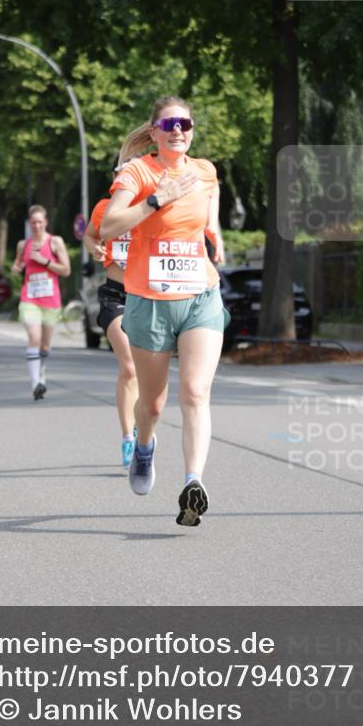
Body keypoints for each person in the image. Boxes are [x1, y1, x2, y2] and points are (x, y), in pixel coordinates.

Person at [102, 95, 227, 527]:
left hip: (200, 296)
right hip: (150, 301)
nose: (178, 130)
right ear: (154, 132)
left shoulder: (205, 171)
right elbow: (109, 226)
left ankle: (193, 483)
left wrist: (217, 240)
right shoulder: (137, 172)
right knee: (152, 405)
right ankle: (144, 447)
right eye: (169, 124)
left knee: (195, 392)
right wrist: (157, 199)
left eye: (185, 124)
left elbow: (209, 214)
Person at [83, 187, 137, 466]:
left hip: (149, 295)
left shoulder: (154, 204)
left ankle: (143, 427)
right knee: (128, 366)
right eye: (120, 173)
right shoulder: (105, 207)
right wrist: (94, 248)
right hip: (115, 294)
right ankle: (128, 436)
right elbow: (89, 235)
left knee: (147, 371)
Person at [12, 205, 71, 400]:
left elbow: (66, 270)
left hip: (50, 299)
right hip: (29, 297)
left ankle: (41, 367)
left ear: (45, 222)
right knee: (34, 338)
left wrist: (44, 261)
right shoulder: (23, 244)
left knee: (44, 345)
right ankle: (35, 383)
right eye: (33, 222)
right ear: (29, 224)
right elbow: (18, 263)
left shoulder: (55, 242)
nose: (36, 225)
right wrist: (16, 267)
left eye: (39, 222)